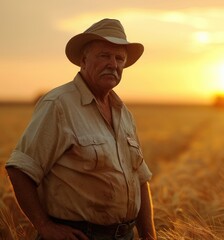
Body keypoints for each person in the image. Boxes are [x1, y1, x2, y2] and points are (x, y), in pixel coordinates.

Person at [5, 18, 156, 240]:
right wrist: (44, 226)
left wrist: (149, 236)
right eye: (104, 55)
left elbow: (140, 180)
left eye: (119, 59)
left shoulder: (123, 113)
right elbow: (20, 169)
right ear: (83, 61)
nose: (113, 64)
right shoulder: (58, 105)